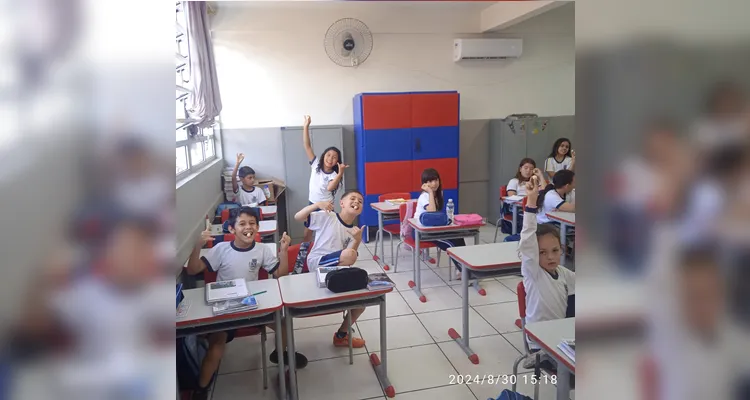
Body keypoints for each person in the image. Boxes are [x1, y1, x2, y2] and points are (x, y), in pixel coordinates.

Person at [185, 207, 305, 399]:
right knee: (216, 347)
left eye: (252, 223)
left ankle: (280, 356)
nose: (248, 227)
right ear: (232, 230)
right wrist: (197, 246)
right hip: (226, 310)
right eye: (242, 224)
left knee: (284, 325)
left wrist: (283, 251)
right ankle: (201, 389)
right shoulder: (221, 249)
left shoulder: (262, 249)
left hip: (253, 307)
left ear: (257, 227)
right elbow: (192, 271)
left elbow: (280, 275)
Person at [294, 189, 367, 348]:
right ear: (342, 203)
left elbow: (349, 260)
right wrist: (316, 205)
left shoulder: (353, 230)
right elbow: (298, 217)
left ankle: (341, 336)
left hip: (335, 267)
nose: (356, 202)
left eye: (360, 201)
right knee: (349, 256)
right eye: (352, 199)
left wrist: (357, 240)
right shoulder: (329, 216)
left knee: (361, 304)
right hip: (317, 262)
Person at [519, 176, 575, 368]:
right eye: (542, 253)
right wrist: (531, 203)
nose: (550, 257)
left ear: (562, 249)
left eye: (555, 251)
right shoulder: (532, 272)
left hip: (564, 336)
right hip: (540, 342)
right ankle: (539, 357)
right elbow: (527, 241)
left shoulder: (565, 274)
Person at [414, 168, 467, 279]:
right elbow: (432, 212)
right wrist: (429, 192)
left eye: (436, 180)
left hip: (435, 230)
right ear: (425, 183)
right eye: (430, 181)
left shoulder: (438, 194)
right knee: (451, 245)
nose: (434, 183)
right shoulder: (424, 196)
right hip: (423, 233)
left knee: (459, 238)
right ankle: (465, 272)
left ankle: (462, 269)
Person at [302, 115, 347, 243]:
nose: (330, 158)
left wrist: (340, 173)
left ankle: (326, 255)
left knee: (326, 235)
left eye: (334, 157)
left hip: (326, 206)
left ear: (337, 162)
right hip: (312, 203)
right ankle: (304, 257)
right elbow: (307, 146)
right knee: (307, 233)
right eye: (328, 155)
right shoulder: (316, 164)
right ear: (323, 156)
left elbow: (330, 187)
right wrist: (306, 126)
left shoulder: (334, 175)